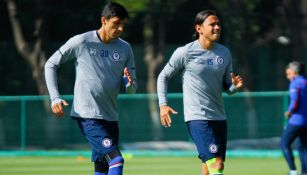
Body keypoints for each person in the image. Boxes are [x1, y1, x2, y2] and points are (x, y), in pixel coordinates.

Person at [44, 2, 137, 175]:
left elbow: (132, 90)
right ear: (104, 20)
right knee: (116, 160)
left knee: (102, 167)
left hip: (110, 116)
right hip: (87, 115)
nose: (120, 29)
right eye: (116, 24)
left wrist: (129, 83)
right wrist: (55, 97)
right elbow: (50, 64)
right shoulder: (82, 41)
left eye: (123, 25)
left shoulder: (125, 48)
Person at [157, 10, 243, 175]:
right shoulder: (185, 52)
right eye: (212, 24)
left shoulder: (224, 53)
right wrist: (163, 105)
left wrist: (235, 88)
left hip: (219, 117)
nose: (217, 27)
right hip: (198, 117)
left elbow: (228, 89)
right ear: (199, 28)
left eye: (218, 24)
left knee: (208, 168)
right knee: (216, 164)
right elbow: (163, 76)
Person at [280, 61, 307, 175]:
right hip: (306, 121)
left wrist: (290, 111)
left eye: (289, 74)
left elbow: (295, 101)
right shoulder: (305, 82)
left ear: (295, 72)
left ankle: (293, 171)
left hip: (296, 120)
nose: (288, 77)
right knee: (303, 148)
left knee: (284, 144)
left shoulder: (295, 83)